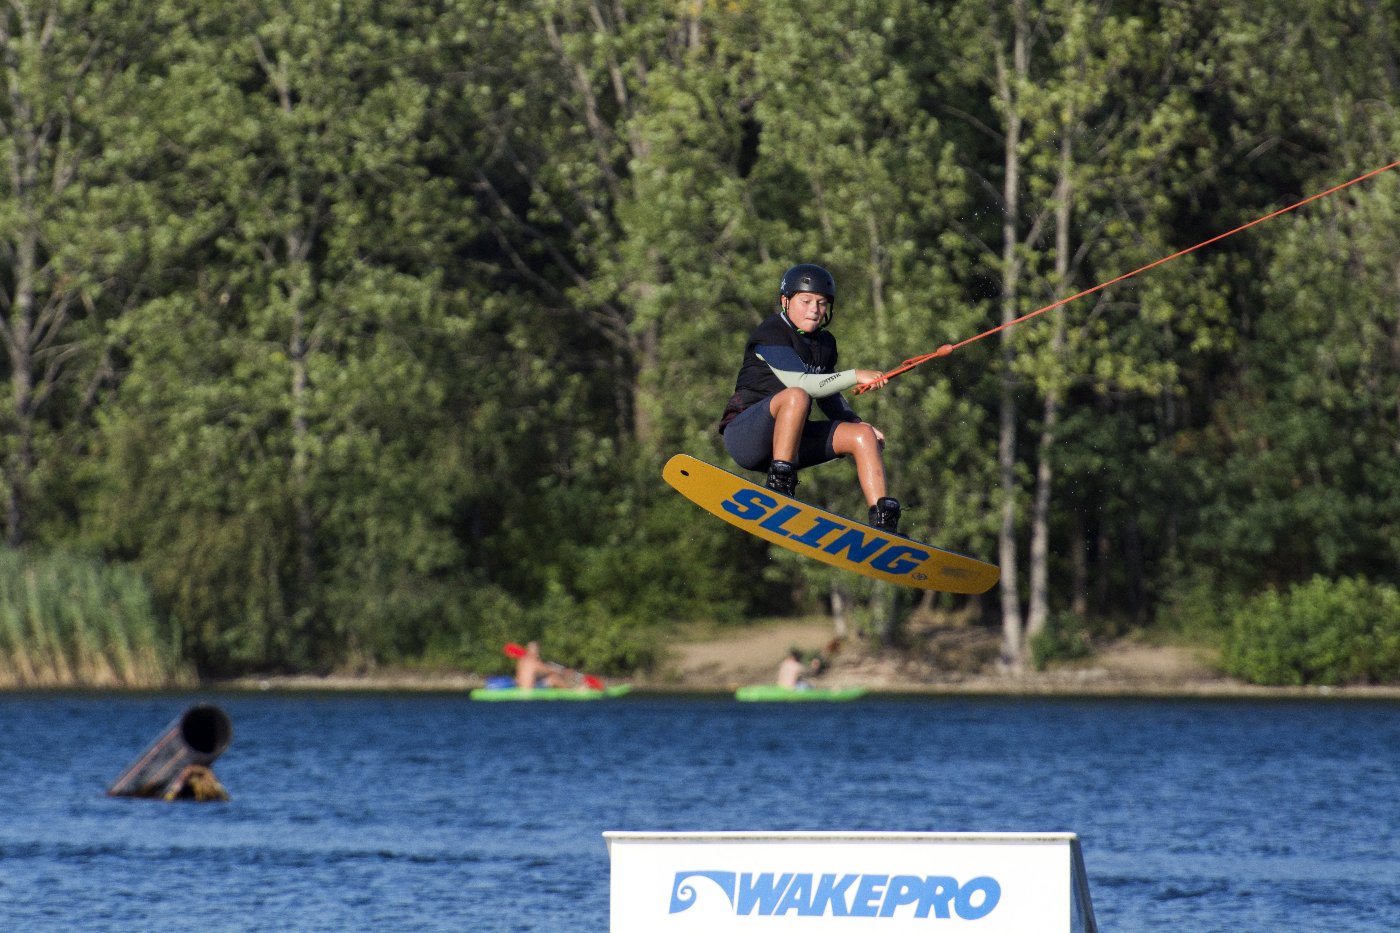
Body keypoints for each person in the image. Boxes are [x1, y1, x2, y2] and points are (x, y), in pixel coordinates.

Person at [717, 263, 901, 533]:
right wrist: (855, 374)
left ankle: (883, 525)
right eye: (805, 301)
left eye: (822, 303)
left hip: (792, 440)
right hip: (746, 437)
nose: (814, 309)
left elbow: (828, 397)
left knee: (862, 435)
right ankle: (779, 487)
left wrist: (857, 422)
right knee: (797, 396)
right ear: (786, 301)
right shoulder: (771, 333)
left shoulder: (825, 344)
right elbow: (802, 384)